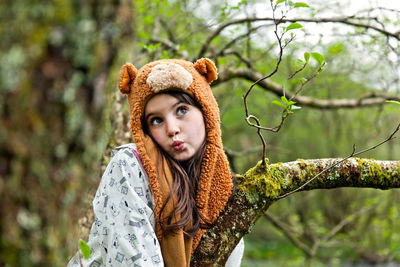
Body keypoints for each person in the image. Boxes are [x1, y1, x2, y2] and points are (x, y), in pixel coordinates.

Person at [67, 58, 244, 266]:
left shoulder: (222, 190)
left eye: (181, 110)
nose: (172, 129)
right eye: (156, 120)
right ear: (145, 130)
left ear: (206, 111)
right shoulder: (130, 166)